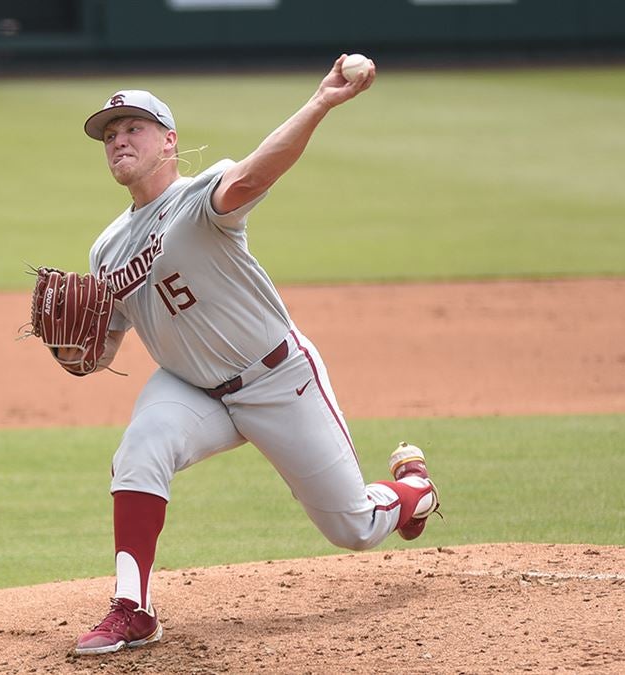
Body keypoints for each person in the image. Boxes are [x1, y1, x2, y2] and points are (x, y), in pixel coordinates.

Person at [64, 55, 440, 656]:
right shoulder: (105, 248)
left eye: (132, 127)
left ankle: (414, 491)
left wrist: (321, 102)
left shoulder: (201, 196)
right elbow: (100, 348)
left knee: (354, 527)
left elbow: (259, 172)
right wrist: (73, 351)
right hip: (188, 388)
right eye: (109, 134)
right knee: (139, 450)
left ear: (169, 140)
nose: (118, 140)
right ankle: (132, 608)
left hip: (275, 377)